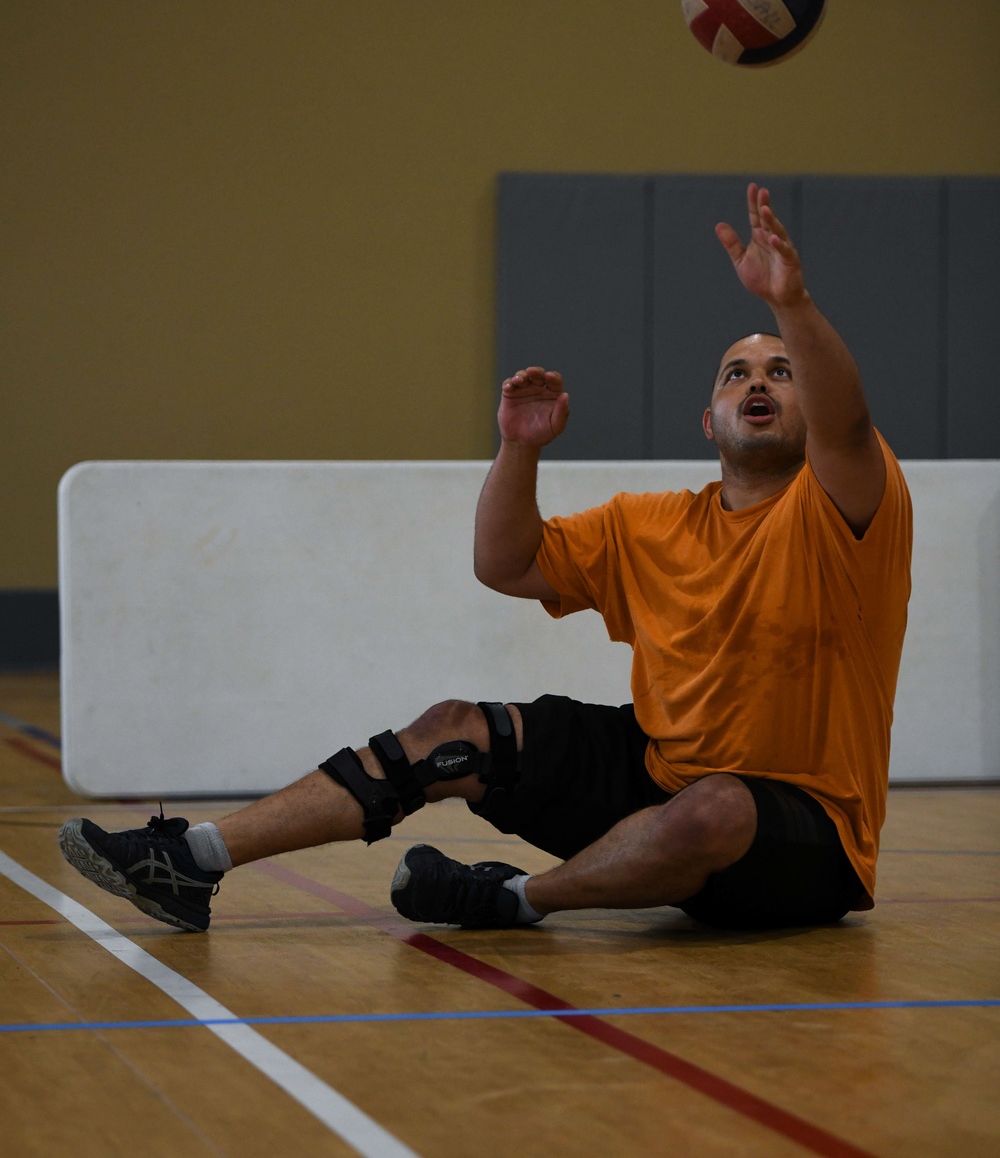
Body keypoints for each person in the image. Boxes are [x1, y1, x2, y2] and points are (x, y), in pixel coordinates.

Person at [59, 184, 912, 935]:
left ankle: (515, 898)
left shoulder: (847, 507)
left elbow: (843, 424)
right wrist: (518, 451)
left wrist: (792, 305)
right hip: (659, 777)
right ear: (708, 419)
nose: (757, 380)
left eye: (780, 371)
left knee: (714, 808)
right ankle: (194, 861)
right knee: (452, 731)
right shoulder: (649, 525)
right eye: (735, 373)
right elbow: (505, 565)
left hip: (808, 838)